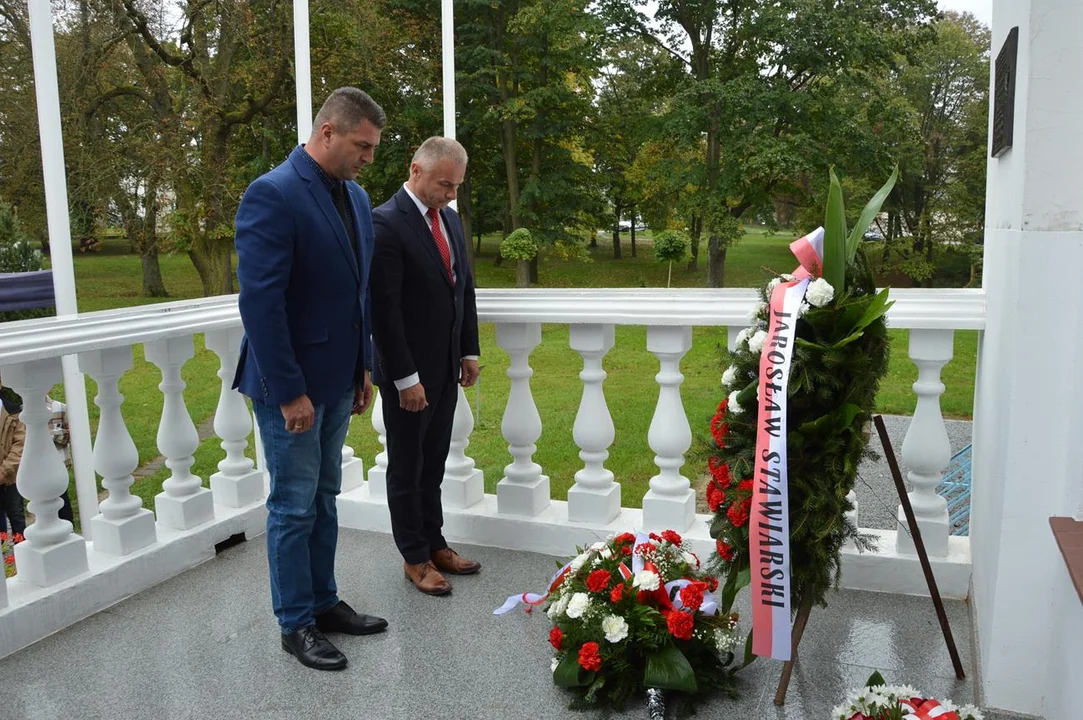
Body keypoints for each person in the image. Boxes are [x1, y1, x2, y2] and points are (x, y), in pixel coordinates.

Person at [233, 87, 388, 672]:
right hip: (289, 388)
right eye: (362, 145)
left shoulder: (354, 195)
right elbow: (262, 306)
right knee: (293, 506)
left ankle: (325, 604)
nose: (369, 158)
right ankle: (294, 623)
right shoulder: (272, 194)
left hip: (337, 380)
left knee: (324, 498)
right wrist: (292, 391)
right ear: (327, 132)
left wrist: (362, 368)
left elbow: (358, 295)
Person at [369, 136, 481, 597]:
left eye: (456, 186)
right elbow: (385, 310)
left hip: (446, 369)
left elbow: (463, 288)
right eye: (445, 184)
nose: (452, 194)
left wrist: (468, 350)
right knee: (407, 466)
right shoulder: (384, 223)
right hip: (408, 376)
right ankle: (414, 557)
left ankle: (436, 544)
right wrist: (404, 379)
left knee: (434, 463)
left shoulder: (449, 220)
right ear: (416, 170)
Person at [0, 376, 26, 537]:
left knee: (17, 518)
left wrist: (2, 471)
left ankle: (22, 557)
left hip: (11, 478)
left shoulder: (14, 413)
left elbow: (19, 447)